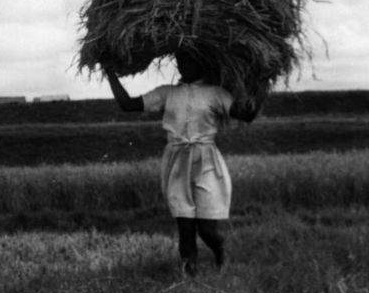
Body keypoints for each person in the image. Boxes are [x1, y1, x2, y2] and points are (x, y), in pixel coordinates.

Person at [105, 51, 261, 275]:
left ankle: (221, 256)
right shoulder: (167, 93)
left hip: (207, 162)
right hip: (177, 162)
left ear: (201, 63)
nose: (181, 67)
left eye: (187, 61)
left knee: (207, 230)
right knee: (185, 228)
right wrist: (111, 74)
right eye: (179, 62)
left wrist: (258, 80)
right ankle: (190, 278)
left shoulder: (216, 94)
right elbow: (127, 104)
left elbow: (246, 115)